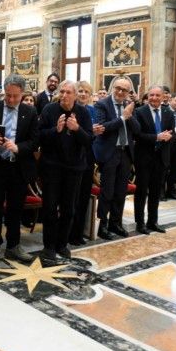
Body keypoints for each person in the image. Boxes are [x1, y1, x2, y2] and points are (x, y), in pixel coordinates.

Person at [0, 74, 39, 266]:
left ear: (22, 94)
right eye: (8, 95)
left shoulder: (30, 112)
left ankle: (13, 245)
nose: (11, 100)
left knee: (15, 209)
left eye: (15, 96)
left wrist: (18, 147)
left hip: (18, 167)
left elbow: (35, 141)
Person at [38, 80, 92, 260]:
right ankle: (49, 246)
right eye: (62, 92)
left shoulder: (83, 113)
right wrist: (56, 129)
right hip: (52, 168)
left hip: (74, 168)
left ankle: (62, 244)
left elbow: (89, 140)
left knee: (69, 209)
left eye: (69, 92)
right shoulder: (49, 110)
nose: (64, 95)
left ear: (75, 95)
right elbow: (39, 137)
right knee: (50, 208)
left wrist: (76, 129)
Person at [93, 76, 136, 239]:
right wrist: (122, 118)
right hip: (109, 152)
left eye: (124, 90)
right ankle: (102, 225)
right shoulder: (102, 104)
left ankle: (115, 223)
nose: (120, 92)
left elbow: (137, 129)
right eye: (117, 88)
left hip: (125, 153)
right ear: (113, 88)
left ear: (128, 93)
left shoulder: (129, 106)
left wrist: (130, 117)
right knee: (107, 192)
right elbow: (102, 128)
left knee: (120, 191)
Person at [132, 86, 174, 234]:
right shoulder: (139, 112)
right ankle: (140, 223)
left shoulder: (169, 113)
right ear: (147, 96)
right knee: (142, 192)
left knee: (156, 192)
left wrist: (170, 136)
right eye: (151, 95)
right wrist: (157, 137)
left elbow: (171, 133)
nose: (154, 98)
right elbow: (137, 135)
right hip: (144, 158)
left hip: (161, 158)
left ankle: (153, 221)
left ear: (163, 97)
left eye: (157, 95)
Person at [70, 81, 97, 245]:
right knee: (72, 197)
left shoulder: (93, 110)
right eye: (80, 91)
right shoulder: (70, 109)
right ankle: (69, 232)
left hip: (88, 156)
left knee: (84, 197)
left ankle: (78, 233)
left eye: (86, 91)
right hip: (73, 157)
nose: (83, 94)